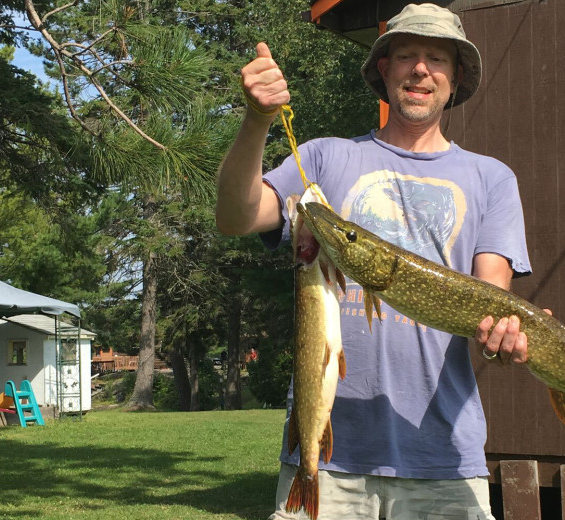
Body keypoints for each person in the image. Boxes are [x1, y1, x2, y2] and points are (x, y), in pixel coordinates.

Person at [216, 4, 532, 519]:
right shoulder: (322, 158)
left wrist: (504, 339)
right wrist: (257, 121)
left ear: (455, 78)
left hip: (443, 461)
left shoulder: (492, 178)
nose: (421, 69)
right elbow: (235, 216)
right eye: (406, 55)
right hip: (328, 455)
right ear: (384, 69)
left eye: (437, 58)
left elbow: (491, 301)